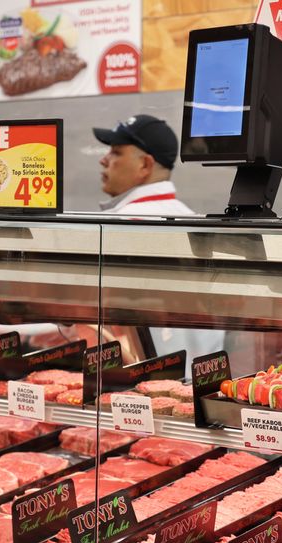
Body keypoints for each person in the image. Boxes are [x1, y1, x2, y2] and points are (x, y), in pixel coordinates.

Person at [93, 114, 223, 363]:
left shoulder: (117, 225)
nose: (104, 159)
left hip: (147, 373)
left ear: (145, 165)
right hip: (203, 373)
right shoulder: (191, 218)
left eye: (116, 152)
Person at [93, 114, 195, 216]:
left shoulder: (126, 220)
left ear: (145, 165)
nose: (103, 161)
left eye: (116, 153)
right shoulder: (189, 217)